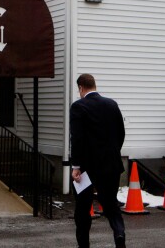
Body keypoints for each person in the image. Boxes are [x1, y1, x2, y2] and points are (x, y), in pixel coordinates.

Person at [70, 73, 126, 248]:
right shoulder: (112, 104)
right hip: (111, 164)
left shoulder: (78, 107)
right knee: (111, 204)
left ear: (81, 88)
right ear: (94, 85)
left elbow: (77, 138)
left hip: (87, 168)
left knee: (83, 208)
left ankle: (84, 245)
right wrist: (113, 152)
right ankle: (119, 233)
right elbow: (121, 133)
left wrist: (76, 166)